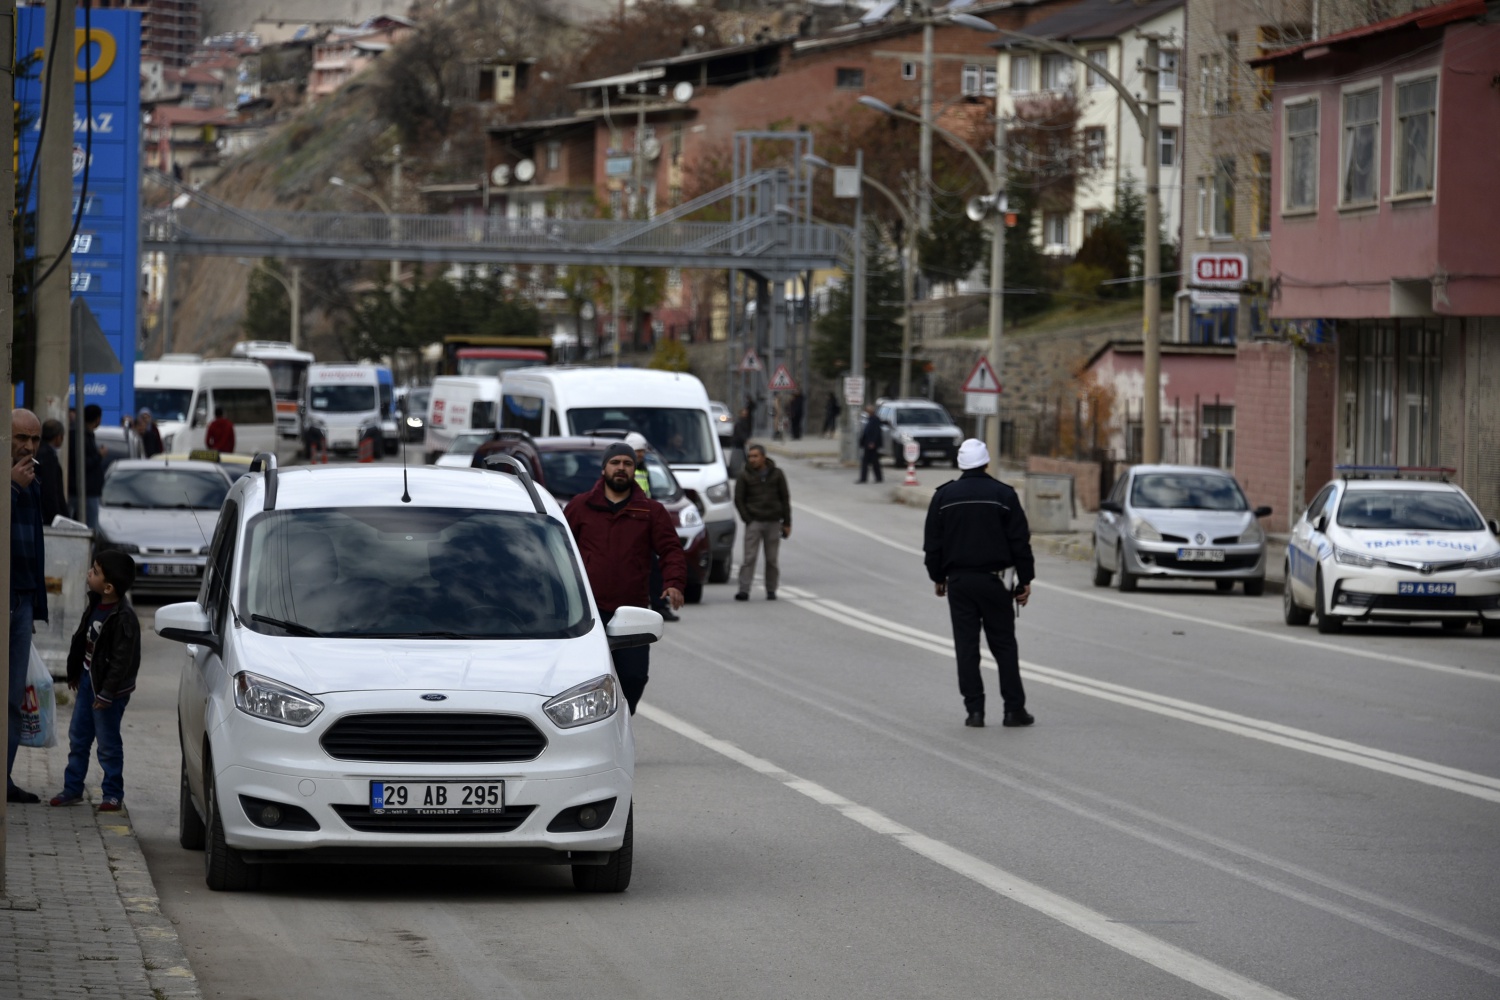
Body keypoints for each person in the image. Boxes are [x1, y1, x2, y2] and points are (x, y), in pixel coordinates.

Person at [564, 443, 687, 713]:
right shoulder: (580, 506)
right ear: (604, 468)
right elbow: (559, 550)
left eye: (627, 463)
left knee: (634, 676)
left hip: (633, 611)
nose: (621, 468)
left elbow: (671, 550)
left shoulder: (650, 511)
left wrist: (674, 583)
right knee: (586, 680)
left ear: (634, 469)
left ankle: (622, 719)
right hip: (588, 613)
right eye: (616, 462)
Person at [923, 438, 1034, 729]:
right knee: (1004, 646)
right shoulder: (1004, 495)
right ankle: (1013, 710)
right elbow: (1020, 541)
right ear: (986, 462)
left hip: (959, 583)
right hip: (997, 582)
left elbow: (932, 544)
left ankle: (975, 712)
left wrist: (937, 577)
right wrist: (1025, 580)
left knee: (966, 647)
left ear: (961, 464)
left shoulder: (944, 496)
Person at [49, 550, 140, 811]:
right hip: (89, 683)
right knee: (78, 736)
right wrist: (75, 672)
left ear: (109, 587)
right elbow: (83, 642)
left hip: (108, 692)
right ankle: (72, 788)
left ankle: (112, 793)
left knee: (108, 744)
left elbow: (121, 662)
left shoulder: (124, 618)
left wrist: (107, 693)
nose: (89, 573)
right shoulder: (95, 604)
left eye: (95, 571)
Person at [8, 409, 50, 804]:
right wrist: (12, 487)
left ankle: (4, 779)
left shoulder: (31, 477)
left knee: (13, 699)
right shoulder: (14, 479)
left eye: (35, 440)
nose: (29, 447)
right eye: (22, 438)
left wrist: (37, 601)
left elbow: (35, 543)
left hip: (21, 598)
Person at [626, 432, 678, 623]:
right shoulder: (627, 471)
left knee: (654, 569)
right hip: (632, 526)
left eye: (642, 452)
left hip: (644, 523)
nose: (641, 455)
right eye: (638, 452)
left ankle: (658, 606)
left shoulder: (643, 468)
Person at [733, 443, 791, 601]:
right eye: (750, 456)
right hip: (755, 522)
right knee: (749, 558)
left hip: (773, 522)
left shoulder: (777, 474)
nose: (752, 460)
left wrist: (787, 523)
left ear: (763, 457)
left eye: (755, 456)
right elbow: (739, 499)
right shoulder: (744, 475)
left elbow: (785, 498)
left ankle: (771, 589)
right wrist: (748, 519)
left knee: (772, 559)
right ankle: (744, 590)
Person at [67, 404, 105, 530]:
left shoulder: (86, 435)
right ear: (97, 419)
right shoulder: (79, 436)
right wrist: (99, 455)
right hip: (85, 491)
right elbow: (81, 464)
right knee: (90, 528)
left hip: (87, 490)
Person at [36, 419, 66, 525]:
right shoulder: (49, 457)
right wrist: (57, 516)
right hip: (47, 516)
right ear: (58, 437)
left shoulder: (39, 452)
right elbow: (50, 490)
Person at [856, 404, 883, 484]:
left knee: (870, 461)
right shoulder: (869, 419)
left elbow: (876, 432)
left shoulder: (875, 420)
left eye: (867, 411)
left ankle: (865, 478)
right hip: (867, 443)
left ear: (871, 411)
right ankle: (876, 478)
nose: (866, 413)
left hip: (871, 444)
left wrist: (873, 442)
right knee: (873, 461)